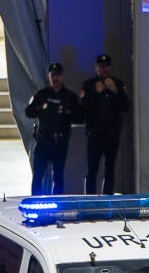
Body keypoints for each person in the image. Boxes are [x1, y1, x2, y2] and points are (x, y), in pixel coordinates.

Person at [24, 62, 81, 196]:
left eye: (58, 75)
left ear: (63, 77)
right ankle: (36, 202)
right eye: (53, 75)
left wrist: (67, 112)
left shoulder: (70, 97)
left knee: (58, 176)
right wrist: (41, 109)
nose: (56, 78)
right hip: (43, 141)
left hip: (60, 142)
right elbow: (28, 112)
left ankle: (57, 205)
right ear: (49, 76)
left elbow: (81, 118)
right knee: (38, 175)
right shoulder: (41, 95)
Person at [80, 53, 131, 195]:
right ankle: (89, 200)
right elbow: (83, 108)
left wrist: (115, 90)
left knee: (110, 170)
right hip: (95, 134)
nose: (104, 70)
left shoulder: (118, 84)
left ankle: (107, 199)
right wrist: (96, 93)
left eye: (107, 66)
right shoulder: (89, 85)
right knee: (92, 170)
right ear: (96, 68)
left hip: (112, 135)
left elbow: (126, 107)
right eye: (101, 67)